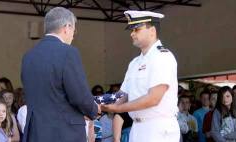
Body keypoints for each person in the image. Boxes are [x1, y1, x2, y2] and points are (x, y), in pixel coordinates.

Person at [21, 7, 100, 142]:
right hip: (64, 133)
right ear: (67, 27)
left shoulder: (28, 56)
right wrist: (94, 109)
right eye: (74, 31)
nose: (73, 36)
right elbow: (79, 96)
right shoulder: (68, 52)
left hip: (36, 132)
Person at [101, 10, 180, 142]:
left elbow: (153, 98)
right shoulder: (134, 63)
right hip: (137, 128)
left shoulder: (163, 57)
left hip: (158, 128)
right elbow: (121, 95)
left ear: (152, 31)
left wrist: (119, 108)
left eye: (136, 29)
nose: (132, 34)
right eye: (131, 30)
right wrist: (96, 102)